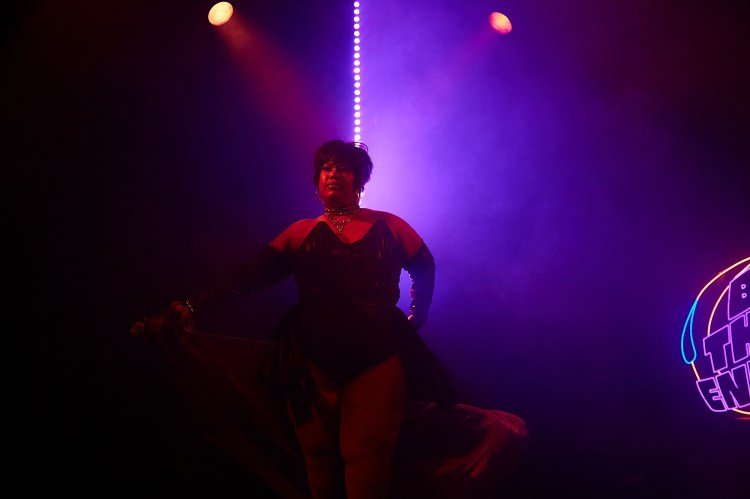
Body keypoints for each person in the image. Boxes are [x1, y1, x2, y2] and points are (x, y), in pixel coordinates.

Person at [132, 140, 528, 499]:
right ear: (316, 182)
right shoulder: (299, 232)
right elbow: (247, 279)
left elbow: (425, 267)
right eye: (326, 168)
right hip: (310, 358)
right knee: (319, 461)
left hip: (375, 354)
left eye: (343, 168)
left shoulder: (389, 224)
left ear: (359, 181)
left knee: (366, 462)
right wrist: (192, 305)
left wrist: (416, 314)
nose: (334, 173)